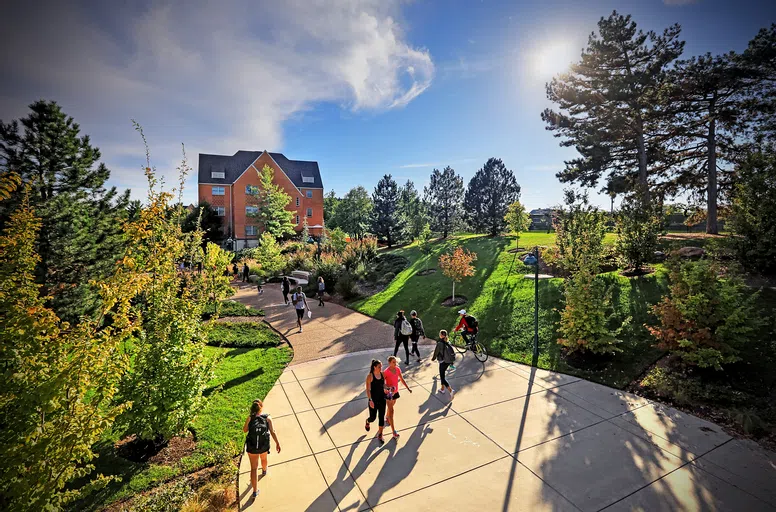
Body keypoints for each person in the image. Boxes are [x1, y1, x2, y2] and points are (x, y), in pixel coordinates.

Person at [242, 399, 281, 499]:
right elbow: (273, 431)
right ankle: (264, 470)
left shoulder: (250, 418)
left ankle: (255, 491)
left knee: (254, 468)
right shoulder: (267, 418)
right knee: (264, 459)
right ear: (261, 407)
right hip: (263, 446)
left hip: (252, 446)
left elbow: (244, 430)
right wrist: (277, 443)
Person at [383, 355, 412, 440]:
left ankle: (387, 417)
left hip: (395, 392)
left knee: (392, 405)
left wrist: (408, 388)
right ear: (389, 363)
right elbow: (382, 382)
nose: (395, 363)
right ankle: (394, 431)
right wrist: (387, 388)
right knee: (392, 410)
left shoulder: (398, 369)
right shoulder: (386, 371)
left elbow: (402, 379)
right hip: (389, 393)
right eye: (393, 362)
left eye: (395, 362)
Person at [364, 359, 387, 444]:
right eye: (379, 367)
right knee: (373, 418)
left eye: (381, 366)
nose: (381, 368)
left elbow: (383, 384)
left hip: (382, 400)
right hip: (373, 401)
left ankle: (380, 434)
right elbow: (368, 390)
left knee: (381, 417)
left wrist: (387, 388)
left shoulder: (382, 374)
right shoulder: (370, 376)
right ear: (374, 367)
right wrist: (370, 400)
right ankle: (367, 421)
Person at [432, 330, 455, 400]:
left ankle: (450, 390)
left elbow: (436, 352)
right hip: (448, 361)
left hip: (442, 361)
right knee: (442, 374)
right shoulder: (448, 342)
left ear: (441, 335)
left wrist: (433, 358)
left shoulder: (440, 343)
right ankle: (442, 389)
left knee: (442, 377)